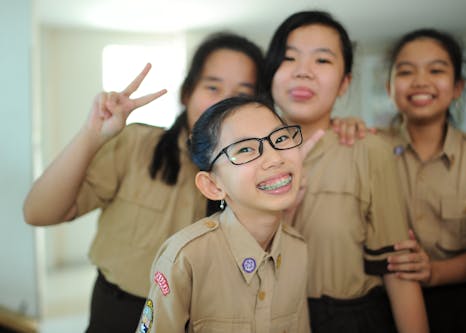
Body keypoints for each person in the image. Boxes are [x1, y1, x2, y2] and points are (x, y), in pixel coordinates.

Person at [22, 32, 265, 333]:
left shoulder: (259, 171)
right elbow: (38, 213)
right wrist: (91, 134)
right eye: (212, 86)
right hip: (119, 312)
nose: (225, 102)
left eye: (242, 93)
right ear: (186, 93)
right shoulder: (136, 145)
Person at [262, 10, 428, 333]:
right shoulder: (243, 154)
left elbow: (396, 270)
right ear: (270, 71)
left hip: (348, 319)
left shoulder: (369, 150)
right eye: (288, 58)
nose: (303, 72)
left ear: (344, 83)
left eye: (322, 61)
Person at [337, 28, 466, 332]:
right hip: (383, 302)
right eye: (406, 71)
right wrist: (342, 129)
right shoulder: (368, 146)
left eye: (436, 70)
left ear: (457, 87)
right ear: (389, 87)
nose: (421, 81)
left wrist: (433, 272)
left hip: (464, 305)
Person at [136, 96, 310, 333]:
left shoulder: (298, 250)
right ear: (212, 186)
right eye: (246, 149)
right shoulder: (185, 258)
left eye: (280, 138)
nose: (275, 158)